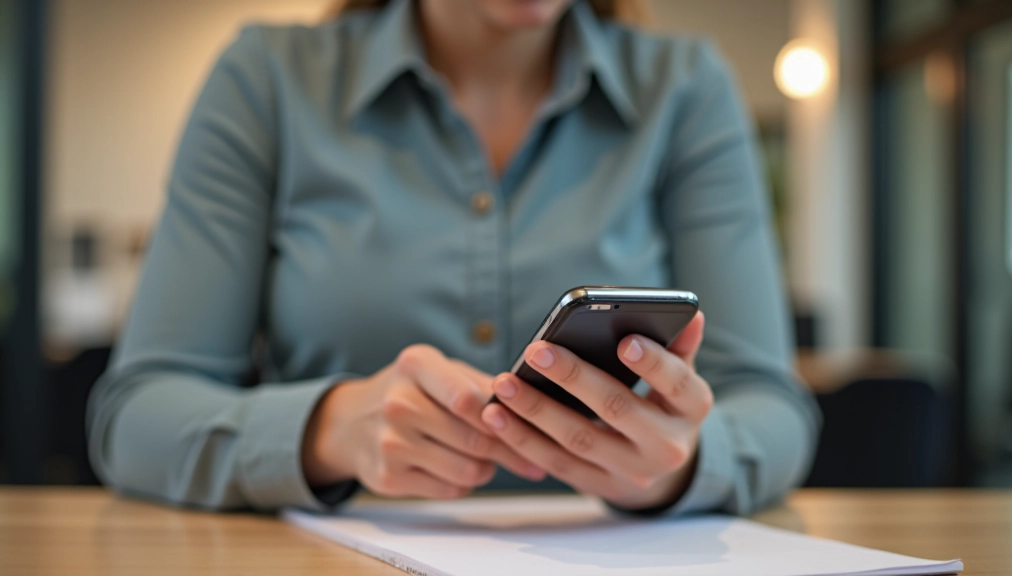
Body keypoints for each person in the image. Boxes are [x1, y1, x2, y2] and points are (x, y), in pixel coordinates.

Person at [87, 0, 819, 515]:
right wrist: (328, 431)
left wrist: (678, 465)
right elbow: (137, 417)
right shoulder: (267, 81)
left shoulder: (686, 89)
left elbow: (774, 410)